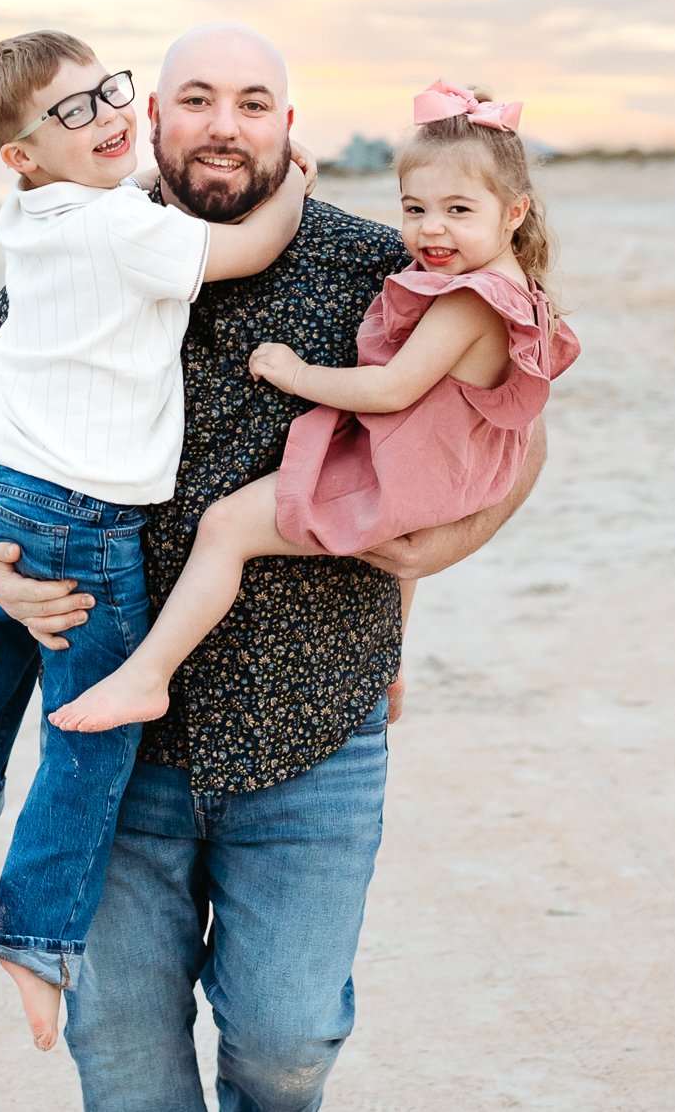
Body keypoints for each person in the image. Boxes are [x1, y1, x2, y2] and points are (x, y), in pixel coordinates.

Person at [0, 24, 547, 1109]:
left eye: (252, 102)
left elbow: (508, 436)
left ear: (285, 129)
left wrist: (424, 557)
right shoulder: (87, 251)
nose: (222, 123)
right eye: (194, 98)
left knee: (290, 1043)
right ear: (151, 121)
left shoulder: (373, 268)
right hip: (117, 744)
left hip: (313, 726)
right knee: (121, 1060)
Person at [0, 30, 308, 1051]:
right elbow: (247, 250)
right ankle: (32, 933)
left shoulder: (39, 212)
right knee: (96, 726)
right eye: (74, 113)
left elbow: (120, 184)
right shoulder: (124, 233)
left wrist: (109, 161)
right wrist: (293, 186)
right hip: (80, 505)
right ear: (22, 154)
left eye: (108, 93)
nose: (110, 119)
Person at [49, 77, 579, 734]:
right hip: (440, 469)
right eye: (414, 209)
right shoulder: (508, 282)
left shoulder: (470, 300)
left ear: (514, 212)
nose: (430, 229)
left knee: (227, 528)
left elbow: (390, 390)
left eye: (458, 211)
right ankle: (389, 659)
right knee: (395, 540)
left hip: (413, 473)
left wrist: (294, 372)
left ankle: (148, 677)